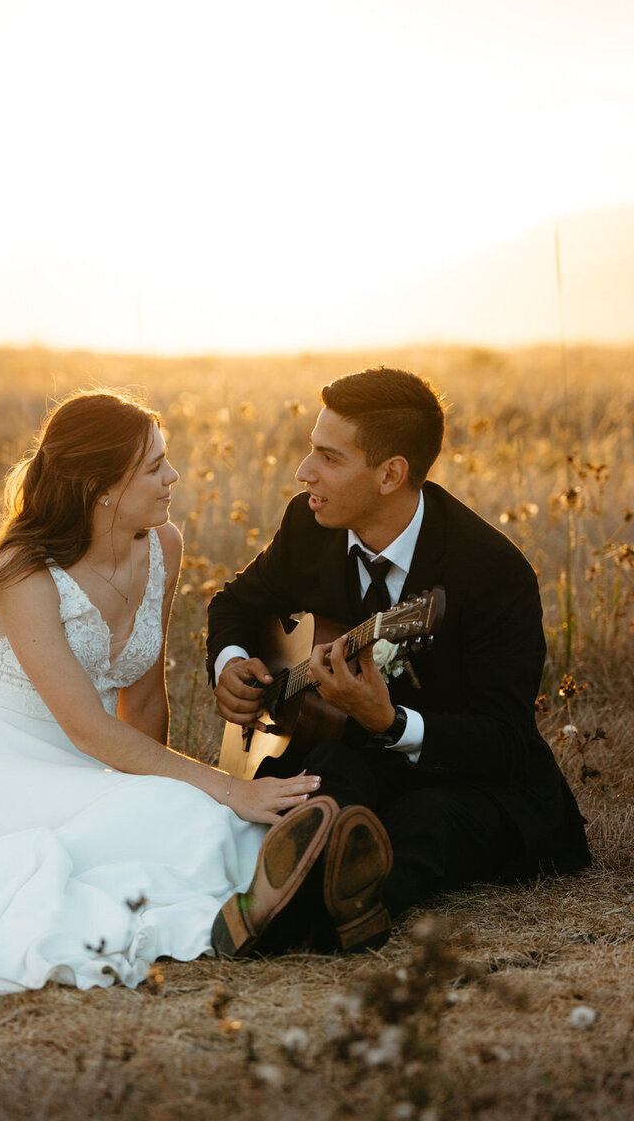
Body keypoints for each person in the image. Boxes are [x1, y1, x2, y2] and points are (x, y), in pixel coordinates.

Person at [0, 389, 322, 1039]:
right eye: (154, 467)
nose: (173, 478)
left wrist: (160, 788)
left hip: (81, 762)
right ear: (101, 488)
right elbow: (90, 728)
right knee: (196, 812)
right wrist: (224, 786)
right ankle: (259, 907)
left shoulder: (163, 544)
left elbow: (143, 698)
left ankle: (304, 889)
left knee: (181, 813)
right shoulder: (20, 573)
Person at [207, 367, 591, 957]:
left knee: (426, 822)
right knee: (329, 776)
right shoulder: (308, 524)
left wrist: (391, 723)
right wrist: (230, 664)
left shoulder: (492, 572)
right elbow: (237, 602)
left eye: (328, 458)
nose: (304, 472)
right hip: (345, 752)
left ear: (391, 474)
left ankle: (329, 907)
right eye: (311, 451)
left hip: (464, 776)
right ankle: (317, 867)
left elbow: (505, 741)